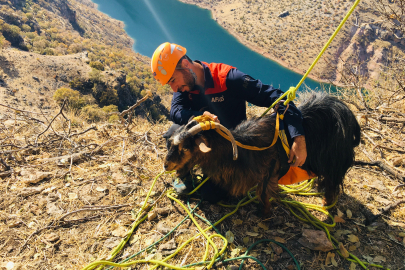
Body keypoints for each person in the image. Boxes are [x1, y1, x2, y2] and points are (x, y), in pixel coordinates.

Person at [151, 42, 307, 201]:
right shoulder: (184, 86)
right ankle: (184, 174)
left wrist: (298, 137)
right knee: (174, 132)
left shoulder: (228, 78)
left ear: (185, 65)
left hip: (232, 146)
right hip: (206, 145)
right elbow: (175, 112)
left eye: (172, 80)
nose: (174, 88)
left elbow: (277, 98)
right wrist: (199, 116)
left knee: (212, 195)